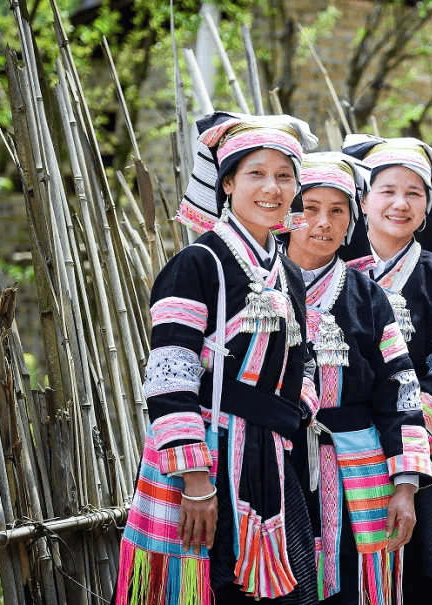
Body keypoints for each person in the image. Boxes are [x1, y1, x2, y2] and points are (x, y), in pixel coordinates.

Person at [116, 113, 321, 604]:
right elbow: (170, 377)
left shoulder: (288, 273)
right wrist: (196, 480)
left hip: (268, 460)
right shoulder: (195, 265)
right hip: (207, 463)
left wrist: (295, 412)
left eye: (284, 175)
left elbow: (304, 362)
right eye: (255, 174)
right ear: (226, 183)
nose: (271, 188)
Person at [283, 152, 432, 605]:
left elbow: (402, 392)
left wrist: (405, 486)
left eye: (338, 211)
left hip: (359, 468)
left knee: (353, 587)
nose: (323, 223)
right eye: (310, 208)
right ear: (289, 212)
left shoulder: (370, 298)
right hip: (279, 463)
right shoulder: (260, 288)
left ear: (352, 218)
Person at [340, 135, 432, 605]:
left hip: (421, 457)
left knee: (427, 577)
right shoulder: (334, 268)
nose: (400, 203)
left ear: (427, 208)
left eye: (414, 193)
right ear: (363, 200)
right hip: (342, 454)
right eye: (387, 190)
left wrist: (407, 448)